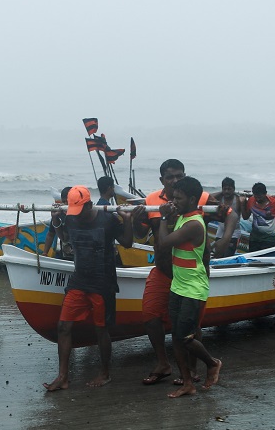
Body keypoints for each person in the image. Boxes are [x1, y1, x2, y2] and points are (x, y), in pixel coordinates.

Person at [42, 185, 133, 392]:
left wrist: (127, 220)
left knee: (101, 329)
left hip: (103, 282)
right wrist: (56, 220)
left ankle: (105, 373)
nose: (76, 216)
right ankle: (63, 377)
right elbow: (65, 237)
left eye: (79, 210)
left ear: (90, 204)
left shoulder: (107, 220)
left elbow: (127, 242)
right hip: (79, 280)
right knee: (63, 326)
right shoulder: (72, 217)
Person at [132, 158, 209, 386]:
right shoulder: (152, 201)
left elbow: (231, 213)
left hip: (190, 274)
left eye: (179, 176)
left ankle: (193, 370)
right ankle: (163, 363)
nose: (175, 180)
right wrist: (135, 220)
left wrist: (226, 219)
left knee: (191, 326)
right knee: (150, 316)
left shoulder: (199, 198)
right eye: (170, 177)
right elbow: (140, 234)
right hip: (164, 269)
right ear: (162, 180)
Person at [154, 176, 222, 398]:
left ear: (193, 199)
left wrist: (163, 216)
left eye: (179, 198)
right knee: (176, 337)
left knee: (185, 336)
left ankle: (212, 363)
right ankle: (187, 383)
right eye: (173, 197)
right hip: (178, 286)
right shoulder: (183, 218)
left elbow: (163, 244)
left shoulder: (194, 224)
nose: (174, 202)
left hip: (193, 288)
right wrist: (170, 216)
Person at [241, 182, 275, 251]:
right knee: (252, 256)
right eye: (256, 196)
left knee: (264, 257)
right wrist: (243, 203)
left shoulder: (274, 202)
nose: (258, 199)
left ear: (265, 193)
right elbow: (245, 217)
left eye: (260, 197)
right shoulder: (251, 200)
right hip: (255, 236)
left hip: (269, 237)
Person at [209, 176, 242, 258]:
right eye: (225, 189)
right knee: (218, 255)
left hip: (234, 233)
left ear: (234, 189)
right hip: (220, 231)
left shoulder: (238, 200)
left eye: (229, 189)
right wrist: (221, 192)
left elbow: (244, 216)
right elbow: (208, 197)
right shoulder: (220, 198)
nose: (227, 191)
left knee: (228, 255)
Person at [41, 186, 73, 259]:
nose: (66, 204)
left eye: (68, 202)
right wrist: (45, 253)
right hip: (66, 255)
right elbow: (51, 234)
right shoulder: (60, 214)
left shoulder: (79, 214)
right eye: (64, 202)